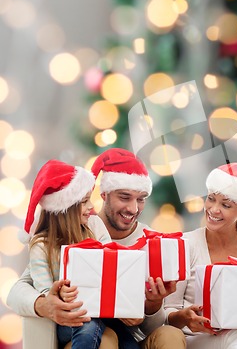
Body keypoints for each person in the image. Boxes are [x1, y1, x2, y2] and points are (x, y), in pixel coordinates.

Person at [8, 148, 186, 349]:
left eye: (141, 199)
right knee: (103, 337)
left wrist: (149, 306)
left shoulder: (151, 243)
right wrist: (47, 303)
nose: (133, 209)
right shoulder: (55, 240)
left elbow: (149, 325)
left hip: (121, 328)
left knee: (158, 336)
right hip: (82, 326)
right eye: (125, 197)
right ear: (104, 194)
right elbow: (17, 290)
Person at [23, 159, 138, 349]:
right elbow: (45, 293)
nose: (91, 207)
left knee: (128, 344)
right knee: (87, 326)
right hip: (70, 318)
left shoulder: (94, 225)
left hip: (104, 311)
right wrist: (60, 293)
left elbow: (112, 264)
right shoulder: (41, 246)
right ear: (65, 209)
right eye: (84, 202)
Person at [164, 162, 237, 349]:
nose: (214, 209)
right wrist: (185, 317)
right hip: (191, 339)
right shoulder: (185, 244)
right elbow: (168, 312)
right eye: (211, 199)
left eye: (225, 205)